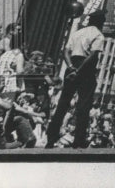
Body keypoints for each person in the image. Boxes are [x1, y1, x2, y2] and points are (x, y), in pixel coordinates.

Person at [44, 10, 106, 148]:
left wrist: (71, 67)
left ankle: (51, 137)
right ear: (101, 22)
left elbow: (65, 51)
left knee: (63, 103)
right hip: (86, 69)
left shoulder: (77, 33)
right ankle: (78, 140)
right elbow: (92, 56)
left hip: (71, 65)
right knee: (84, 105)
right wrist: (78, 71)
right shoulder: (98, 35)